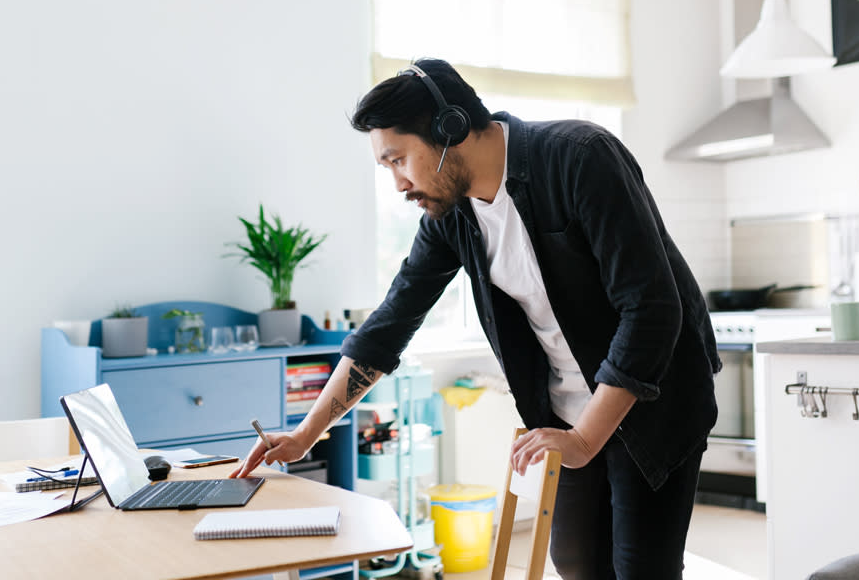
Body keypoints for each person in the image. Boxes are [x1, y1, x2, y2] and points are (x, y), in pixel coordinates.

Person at [231, 58, 721, 579]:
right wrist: (306, 435)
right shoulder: (452, 215)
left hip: (652, 401)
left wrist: (583, 441)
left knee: (640, 568)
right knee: (577, 564)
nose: (398, 184)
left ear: (450, 128)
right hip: (568, 413)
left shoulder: (580, 157)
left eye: (399, 160)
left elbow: (650, 308)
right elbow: (390, 324)